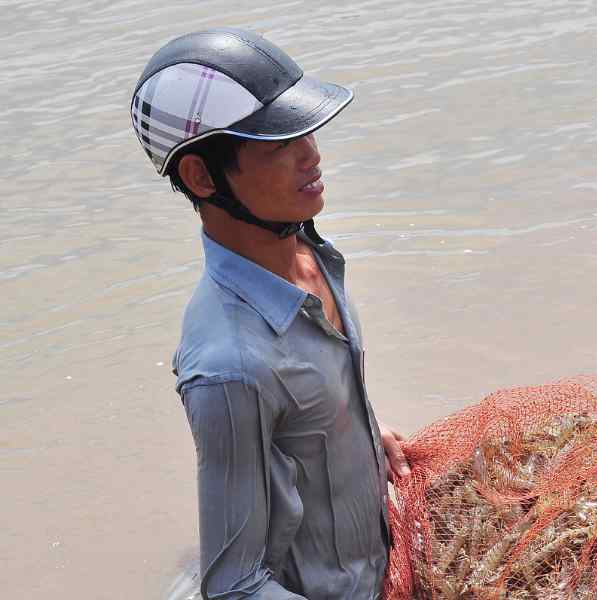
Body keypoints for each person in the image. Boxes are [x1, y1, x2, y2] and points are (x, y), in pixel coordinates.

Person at [133, 28, 410, 599]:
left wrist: (353, 427)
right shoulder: (230, 365)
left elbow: (306, 394)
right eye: (278, 144)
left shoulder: (310, 251)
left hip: (378, 554)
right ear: (203, 177)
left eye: (305, 130)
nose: (311, 152)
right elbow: (234, 586)